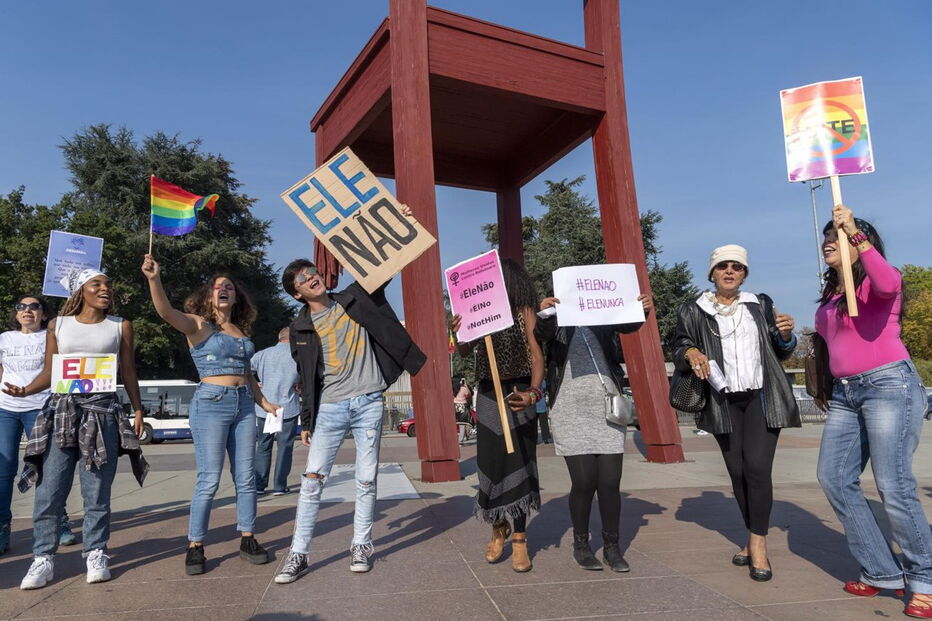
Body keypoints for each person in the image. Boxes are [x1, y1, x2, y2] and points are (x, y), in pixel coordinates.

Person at [274, 256, 426, 584]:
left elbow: (385, 269)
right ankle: (298, 553)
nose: (312, 277)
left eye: (312, 271)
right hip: (329, 408)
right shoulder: (301, 327)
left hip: (369, 401)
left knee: (367, 478)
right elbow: (306, 377)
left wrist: (396, 224)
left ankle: (361, 545)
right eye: (303, 278)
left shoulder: (354, 297)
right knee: (313, 480)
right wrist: (307, 421)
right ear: (297, 293)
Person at [814, 205, 932, 618]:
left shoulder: (883, 280)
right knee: (833, 478)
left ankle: (925, 578)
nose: (828, 240)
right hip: (848, 394)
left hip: (888, 385)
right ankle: (881, 571)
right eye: (826, 235)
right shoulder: (832, 293)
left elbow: (884, 281)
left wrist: (856, 235)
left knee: (893, 484)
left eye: (837, 235)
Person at [4, 270, 146, 589]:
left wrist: (137, 408)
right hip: (62, 411)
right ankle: (43, 558)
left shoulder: (120, 325)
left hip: (102, 412)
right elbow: (51, 370)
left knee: (96, 489)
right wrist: (26, 390)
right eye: (97, 284)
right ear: (80, 291)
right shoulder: (58, 325)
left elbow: (128, 369)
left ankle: (95, 551)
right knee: (50, 489)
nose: (105, 289)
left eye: (108, 284)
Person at [142, 255, 276, 576]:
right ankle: (195, 545)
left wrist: (265, 402)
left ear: (236, 296)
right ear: (208, 296)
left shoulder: (240, 332)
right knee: (209, 479)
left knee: (246, 477)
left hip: (244, 404)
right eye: (217, 287)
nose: (223, 290)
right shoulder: (199, 325)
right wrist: (153, 279)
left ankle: (247, 538)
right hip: (211, 403)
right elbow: (164, 312)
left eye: (229, 286)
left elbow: (247, 373)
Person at [673, 245, 799, 582]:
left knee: (758, 469)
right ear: (712, 273)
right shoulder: (693, 308)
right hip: (722, 400)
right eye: (723, 266)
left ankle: (758, 545)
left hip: (761, 396)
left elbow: (782, 350)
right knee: (738, 473)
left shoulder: (760, 305)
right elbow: (678, 342)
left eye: (738, 267)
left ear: (745, 274)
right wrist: (690, 350)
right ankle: (750, 535)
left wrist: (787, 336)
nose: (730, 271)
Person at [536, 292, 652, 572]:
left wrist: (642, 309)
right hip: (569, 406)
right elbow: (540, 334)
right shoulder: (558, 319)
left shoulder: (604, 316)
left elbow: (629, 324)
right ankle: (581, 545)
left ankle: (612, 547)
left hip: (607, 407)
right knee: (585, 481)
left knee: (610, 483)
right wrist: (546, 312)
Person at [450, 258, 544, 573]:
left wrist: (533, 392)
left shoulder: (524, 312)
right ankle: (497, 527)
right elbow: (464, 351)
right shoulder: (480, 312)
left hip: (518, 394)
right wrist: (458, 332)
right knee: (491, 465)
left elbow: (535, 355)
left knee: (518, 462)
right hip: (489, 394)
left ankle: (520, 537)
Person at [252, 327, 301, 496]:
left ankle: (259, 484)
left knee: (263, 446)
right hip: (287, 407)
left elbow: (246, 371)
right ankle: (280, 485)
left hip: (264, 406)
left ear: (279, 338)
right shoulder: (298, 355)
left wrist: (256, 383)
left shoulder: (263, 354)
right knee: (285, 447)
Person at [453, 378, 472, 445]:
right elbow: (469, 394)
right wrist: (465, 385)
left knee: (453, 423)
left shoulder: (453, 388)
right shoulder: (464, 388)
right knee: (462, 425)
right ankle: (460, 441)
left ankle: (453, 440)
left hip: (454, 405)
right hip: (462, 406)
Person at [535, 379, 552, 444]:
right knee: (544, 423)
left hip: (534, 405)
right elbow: (545, 389)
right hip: (541, 404)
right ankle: (546, 438)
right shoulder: (543, 381)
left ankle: (535, 439)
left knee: (534, 425)